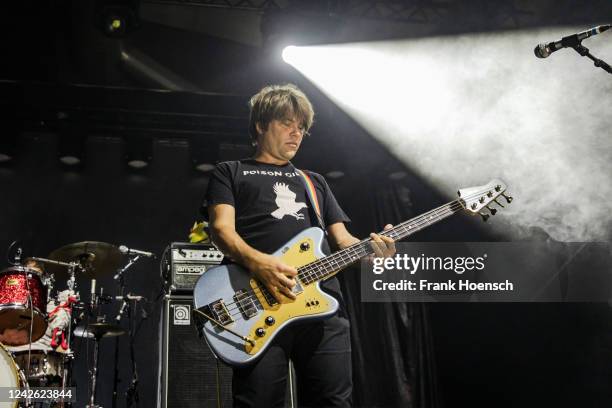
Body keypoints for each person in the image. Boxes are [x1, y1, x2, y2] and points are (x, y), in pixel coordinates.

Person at [205, 83, 395, 408]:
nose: (296, 133)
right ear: (261, 124)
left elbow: (343, 240)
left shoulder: (314, 181)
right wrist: (260, 264)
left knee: (333, 402)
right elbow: (222, 231)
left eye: (301, 127)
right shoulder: (231, 172)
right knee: (258, 402)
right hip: (259, 303)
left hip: (322, 306)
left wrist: (372, 251)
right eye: (287, 123)